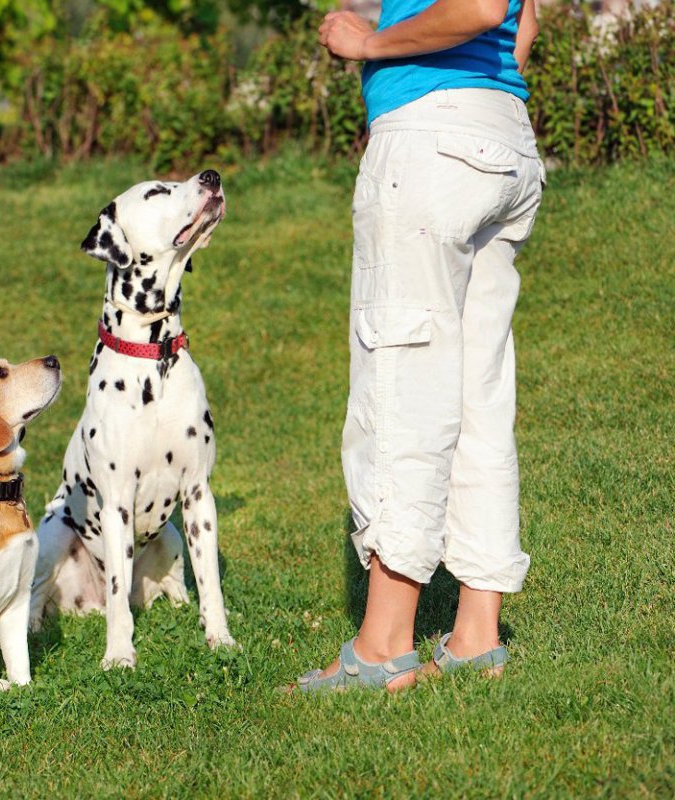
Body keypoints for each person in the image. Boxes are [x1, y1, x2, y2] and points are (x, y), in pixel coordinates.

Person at [297, 0, 546, 691]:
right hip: (503, 134)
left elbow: (479, 5)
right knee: (478, 395)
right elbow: (521, 22)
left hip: (431, 141)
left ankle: (382, 650)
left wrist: (370, 45)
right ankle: (475, 636)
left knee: (404, 387)